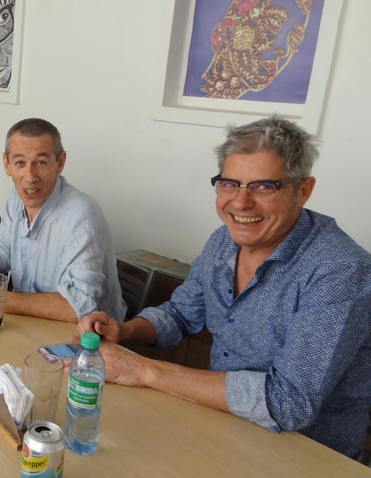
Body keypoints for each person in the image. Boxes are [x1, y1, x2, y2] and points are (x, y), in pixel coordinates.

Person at [77, 115, 371, 459]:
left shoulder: (340, 270)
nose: (241, 202)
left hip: (305, 455)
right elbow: (181, 314)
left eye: (264, 186)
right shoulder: (223, 242)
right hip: (222, 425)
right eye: (230, 184)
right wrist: (124, 330)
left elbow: (288, 402)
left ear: (302, 190)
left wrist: (143, 370)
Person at [0, 118, 126, 323]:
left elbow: (78, 308)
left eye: (41, 163)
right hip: (32, 326)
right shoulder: (17, 201)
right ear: (7, 164)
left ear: (60, 163)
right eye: (20, 163)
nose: (30, 177)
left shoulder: (82, 217)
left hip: (92, 341)